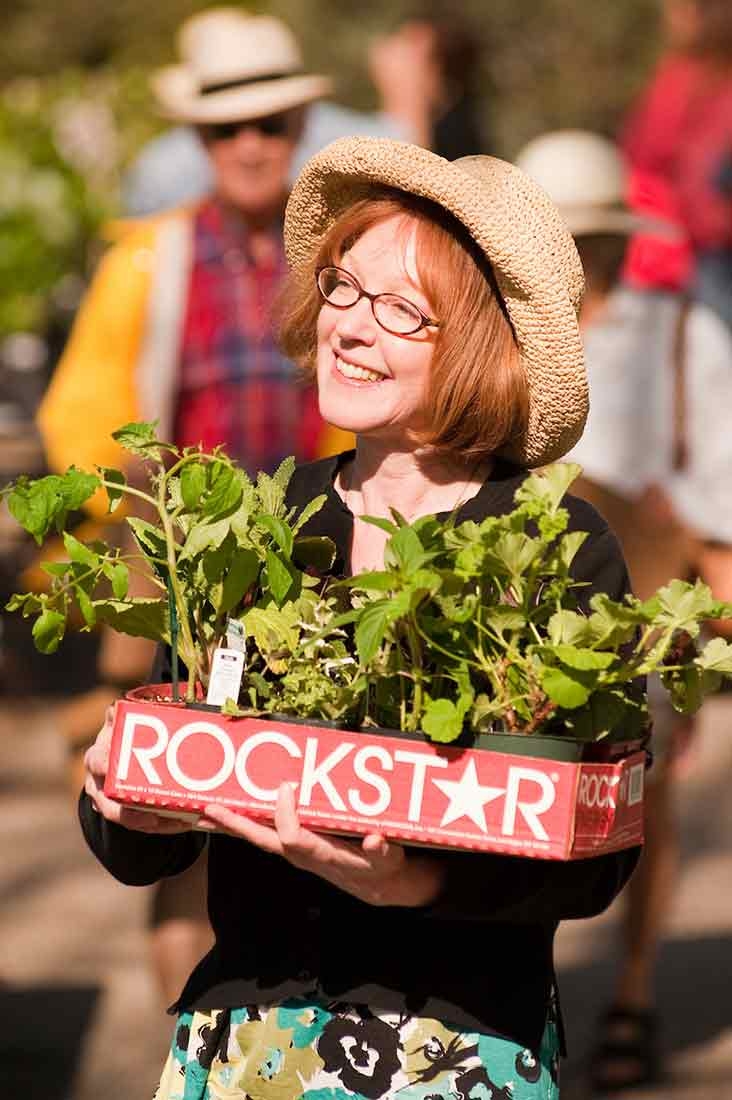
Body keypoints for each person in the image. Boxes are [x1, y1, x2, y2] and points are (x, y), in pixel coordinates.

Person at [81, 135, 643, 1100]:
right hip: (243, 1038)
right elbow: (161, 825)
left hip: (458, 1049)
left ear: (479, 344)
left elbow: (597, 856)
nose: (346, 325)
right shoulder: (256, 525)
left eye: (398, 310)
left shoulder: (553, 542)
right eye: (342, 287)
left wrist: (417, 884)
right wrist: (122, 809)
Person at [35, 10, 342, 1010]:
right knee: (181, 821)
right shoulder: (149, 259)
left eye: (270, 123)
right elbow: (83, 424)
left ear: (298, 125)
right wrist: (129, 548)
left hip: (319, 580)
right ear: (200, 143)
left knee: (310, 813)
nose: (250, 145)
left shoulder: (341, 254)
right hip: (190, 585)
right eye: (226, 130)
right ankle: (193, 1045)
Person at [515, 128, 732, 1093]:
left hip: (646, 604)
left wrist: (708, 614)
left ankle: (635, 989)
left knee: (646, 802)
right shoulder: (501, 344)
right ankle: (526, 992)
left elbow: (718, 490)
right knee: (517, 792)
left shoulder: (685, 334)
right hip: (514, 605)